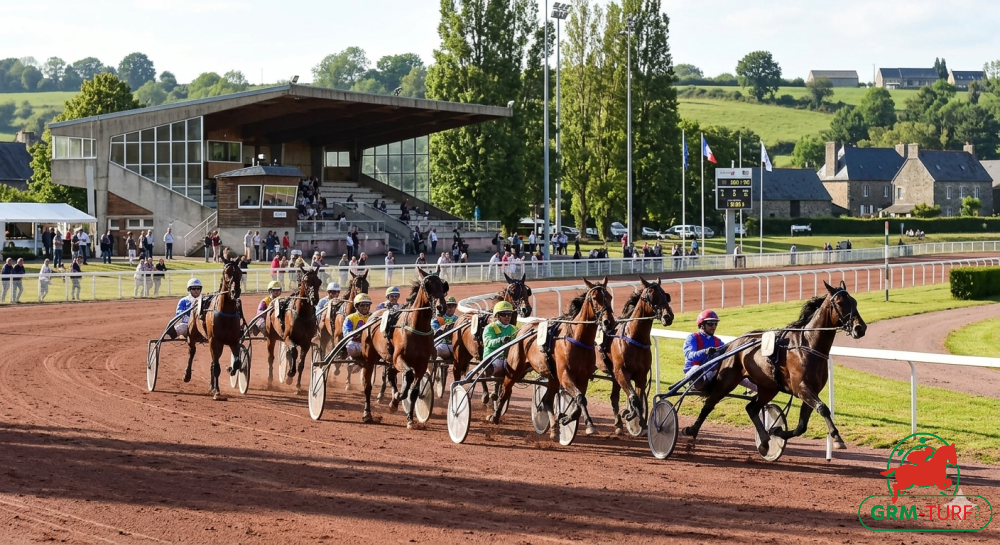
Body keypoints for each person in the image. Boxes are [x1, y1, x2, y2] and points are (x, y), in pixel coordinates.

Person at [683, 310, 756, 391]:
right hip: (693, 372)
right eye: (710, 323)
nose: (714, 326)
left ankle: (760, 390)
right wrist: (705, 352)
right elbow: (689, 355)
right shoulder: (692, 337)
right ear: (702, 325)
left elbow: (729, 352)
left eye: (715, 324)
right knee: (697, 368)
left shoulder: (717, 341)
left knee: (734, 373)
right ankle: (695, 384)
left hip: (711, 373)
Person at [483, 301, 516, 376]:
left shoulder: (514, 329)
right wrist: (501, 340)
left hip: (508, 357)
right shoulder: (490, 328)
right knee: (499, 369)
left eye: (509, 314)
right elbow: (488, 342)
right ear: (497, 316)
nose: (507, 317)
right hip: (492, 357)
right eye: (504, 314)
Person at [343, 293, 373, 358]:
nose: (365, 307)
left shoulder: (373, 317)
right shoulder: (350, 318)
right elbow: (346, 334)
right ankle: (353, 358)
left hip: (369, 344)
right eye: (362, 305)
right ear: (356, 306)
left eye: (367, 305)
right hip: (355, 344)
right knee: (350, 346)